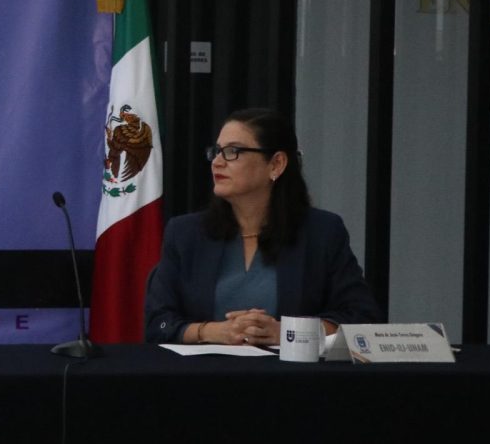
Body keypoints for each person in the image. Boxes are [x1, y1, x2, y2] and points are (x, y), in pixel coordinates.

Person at [143, 107, 380, 345]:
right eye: (216, 151)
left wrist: (289, 333)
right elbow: (158, 323)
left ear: (276, 164)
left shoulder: (322, 232)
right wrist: (211, 331)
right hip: (205, 368)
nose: (217, 162)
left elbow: (361, 318)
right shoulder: (185, 233)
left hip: (287, 369)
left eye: (232, 152)